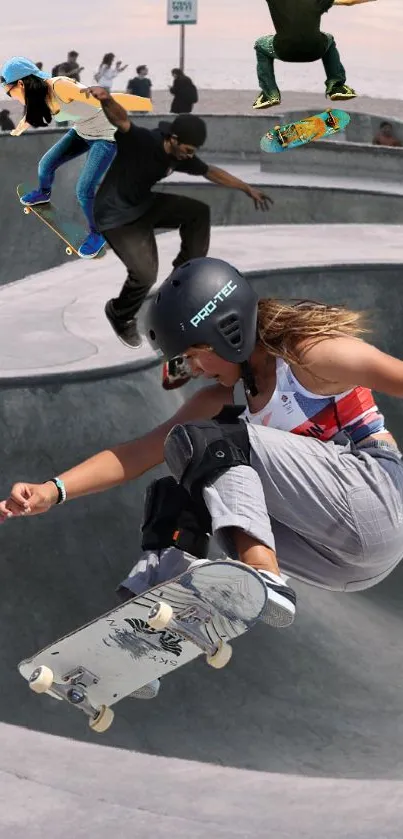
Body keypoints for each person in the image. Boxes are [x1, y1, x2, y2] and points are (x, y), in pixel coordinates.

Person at [2, 256, 403, 702]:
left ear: (224, 334)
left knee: (211, 442)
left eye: (194, 354)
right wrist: (52, 491)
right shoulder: (221, 400)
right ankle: (150, 627)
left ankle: (264, 575)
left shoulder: (310, 355)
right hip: (339, 563)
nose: (195, 368)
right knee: (184, 470)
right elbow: (137, 453)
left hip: (377, 499)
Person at [85, 86, 272, 349]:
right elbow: (122, 120)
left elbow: (210, 172)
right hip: (115, 216)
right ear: (172, 138)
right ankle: (120, 313)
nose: (188, 156)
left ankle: (183, 280)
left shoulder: (181, 155)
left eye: (192, 152)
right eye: (186, 150)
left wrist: (246, 188)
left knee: (197, 212)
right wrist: (107, 99)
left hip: (142, 205)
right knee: (145, 275)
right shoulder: (144, 141)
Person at [1, 57, 151, 259]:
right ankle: (43, 193)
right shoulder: (37, 95)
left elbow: (102, 98)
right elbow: (32, 114)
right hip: (82, 132)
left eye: (9, 93)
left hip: (106, 137)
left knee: (83, 190)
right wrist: (19, 129)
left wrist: (144, 103)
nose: (10, 97)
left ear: (21, 84)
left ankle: (98, 233)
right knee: (45, 164)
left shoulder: (61, 86)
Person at [253, 0, 377, 110]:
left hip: (284, 50)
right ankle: (336, 86)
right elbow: (348, 2)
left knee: (260, 44)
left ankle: (270, 93)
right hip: (315, 50)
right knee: (329, 39)